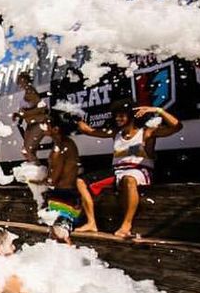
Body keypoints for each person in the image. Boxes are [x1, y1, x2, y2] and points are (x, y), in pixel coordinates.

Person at [75, 100, 183, 238]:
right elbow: (87, 130)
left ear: (131, 116)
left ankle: (126, 225)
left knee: (129, 179)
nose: (117, 118)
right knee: (80, 182)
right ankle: (91, 223)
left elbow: (177, 126)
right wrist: (76, 117)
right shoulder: (116, 133)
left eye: (121, 115)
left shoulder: (146, 132)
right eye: (116, 115)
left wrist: (158, 110)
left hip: (140, 171)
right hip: (117, 172)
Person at [42, 113, 81, 244]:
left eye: (46, 124)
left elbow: (53, 178)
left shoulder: (61, 147)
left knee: (60, 235)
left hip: (64, 197)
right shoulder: (64, 144)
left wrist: (38, 181)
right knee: (57, 235)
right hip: (65, 195)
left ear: (56, 129)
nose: (42, 127)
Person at [13, 73, 49, 163]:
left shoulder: (30, 91)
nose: (19, 83)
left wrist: (25, 113)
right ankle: (36, 168)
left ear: (26, 80)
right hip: (31, 124)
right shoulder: (27, 91)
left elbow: (42, 107)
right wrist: (19, 114)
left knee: (28, 151)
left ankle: (38, 169)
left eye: (21, 80)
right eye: (19, 81)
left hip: (38, 123)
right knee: (28, 151)